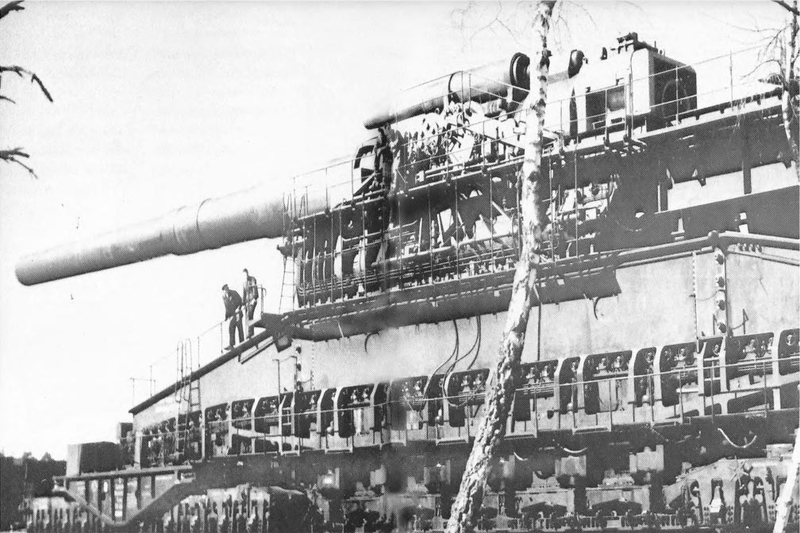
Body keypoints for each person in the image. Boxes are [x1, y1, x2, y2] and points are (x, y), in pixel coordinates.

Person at [222, 284, 244, 350]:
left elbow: (240, 301)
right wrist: (226, 316)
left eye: (227, 288)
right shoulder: (224, 297)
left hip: (237, 313)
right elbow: (226, 307)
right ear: (224, 291)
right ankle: (231, 344)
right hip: (232, 315)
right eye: (225, 289)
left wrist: (238, 308)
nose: (227, 290)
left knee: (239, 328)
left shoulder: (234, 293)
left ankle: (242, 343)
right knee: (231, 328)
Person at [242, 269, 259, 336]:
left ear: (247, 274)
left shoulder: (252, 279)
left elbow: (254, 288)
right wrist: (243, 303)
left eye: (246, 274)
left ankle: (250, 333)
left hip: (252, 300)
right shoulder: (244, 283)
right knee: (248, 316)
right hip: (247, 302)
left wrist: (254, 298)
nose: (245, 276)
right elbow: (244, 293)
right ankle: (249, 332)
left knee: (250, 314)